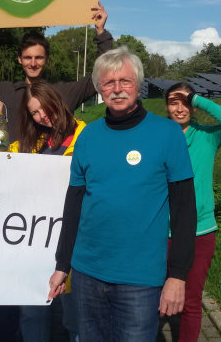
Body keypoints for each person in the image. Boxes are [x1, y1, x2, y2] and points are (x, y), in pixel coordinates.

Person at [48, 47, 197, 341]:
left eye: (125, 81)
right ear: (99, 89)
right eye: (108, 83)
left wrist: (177, 276)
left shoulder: (168, 134)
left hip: (140, 281)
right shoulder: (88, 136)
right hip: (87, 274)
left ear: (139, 85)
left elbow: (184, 212)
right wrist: (62, 265)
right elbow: (74, 205)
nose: (117, 89)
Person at [0, 80, 86, 341]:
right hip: (35, 242)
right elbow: (2, 158)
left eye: (45, 108)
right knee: (32, 314)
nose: (43, 116)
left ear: (57, 101)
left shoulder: (85, 137)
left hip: (74, 243)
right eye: (35, 113)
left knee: (75, 318)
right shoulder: (36, 140)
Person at [0, 2, 113, 141]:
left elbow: (101, 76)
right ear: (19, 59)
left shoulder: (63, 93)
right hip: (13, 173)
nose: (33, 63)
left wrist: (101, 32)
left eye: (39, 58)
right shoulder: (4, 92)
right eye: (27, 58)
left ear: (47, 59)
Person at [164, 82, 221, 341]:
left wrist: (197, 99)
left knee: (191, 301)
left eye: (185, 102)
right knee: (152, 294)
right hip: (163, 231)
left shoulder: (208, 137)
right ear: (166, 106)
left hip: (200, 231)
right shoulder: (159, 137)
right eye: (174, 102)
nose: (180, 108)